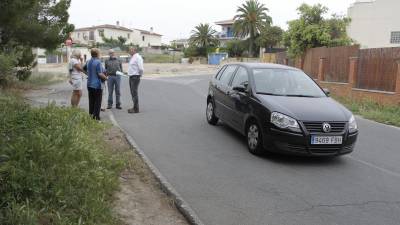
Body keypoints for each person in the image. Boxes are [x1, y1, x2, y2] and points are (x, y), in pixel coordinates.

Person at [86, 48, 108, 120]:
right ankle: (96, 117)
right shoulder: (98, 62)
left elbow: (84, 69)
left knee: (91, 101)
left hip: (89, 84)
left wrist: (89, 75)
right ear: (98, 54)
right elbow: (100, 74)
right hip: (97, 85)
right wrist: (106, 78)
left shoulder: (88, 61)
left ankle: (91, 115)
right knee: (97, 101)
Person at [127, 47, 144, 113]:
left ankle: (136, 109)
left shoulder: (138, 57)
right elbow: (133, 67)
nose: (129, 51)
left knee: (134, 93)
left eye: (131, 50)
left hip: (135, 77)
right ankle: (134, 107)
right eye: (129, 50)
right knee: (132, 93)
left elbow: (141, 69)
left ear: (134, 50)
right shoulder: (133, 57)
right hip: (131, 76)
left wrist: (139, 75)